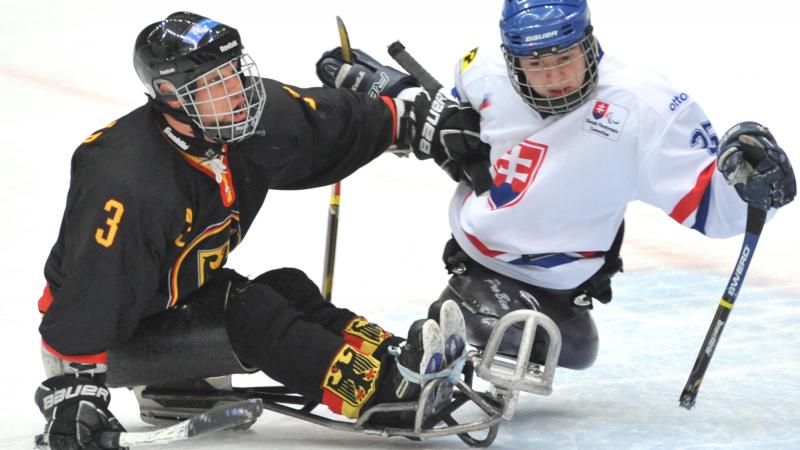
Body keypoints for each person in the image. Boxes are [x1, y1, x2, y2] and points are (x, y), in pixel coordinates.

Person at [33, 12, 486, 449]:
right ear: (170, 95)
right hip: (95, 346)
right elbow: (91, 291)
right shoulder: (128, 182)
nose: (235, 91)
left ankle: (392, 364)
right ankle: (379, 395)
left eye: (233, 72)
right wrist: (75, 394)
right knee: (251, 311)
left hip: (169, 303)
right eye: (213, 84)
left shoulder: (239, 123)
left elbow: (323, 121)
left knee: (287, 286)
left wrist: (415, 122)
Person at [317, 0, 795, 372]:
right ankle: (452, 318)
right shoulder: (483, 72)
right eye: (535, 64)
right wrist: (391, 96)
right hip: (484, 256)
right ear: (510, 58)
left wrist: (753, 189)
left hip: (570, 281)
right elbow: (447, 128)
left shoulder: (646, 109)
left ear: (590, 42)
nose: (554, 78)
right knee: (502, 329)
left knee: (568, 347)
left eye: (564, 58)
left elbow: (716, 212)